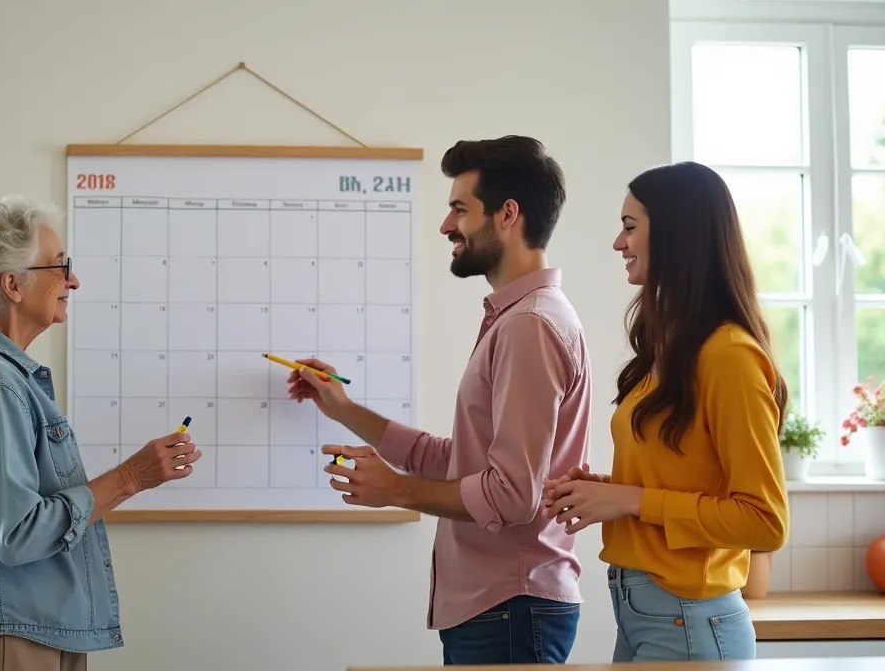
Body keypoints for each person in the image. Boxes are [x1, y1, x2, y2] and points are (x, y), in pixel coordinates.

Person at [289, 136, 591, 665]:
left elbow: (513, 494)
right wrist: (343, 407)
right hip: (500, 609)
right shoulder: (516, 318)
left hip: (511, 609)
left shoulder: (528, 326)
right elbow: (465, 462)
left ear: (507, 215)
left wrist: (397, 490)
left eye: (459, 209)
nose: (445, 227)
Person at [0, 195, 202, 671]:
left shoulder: (0, 375)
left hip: (27, 631)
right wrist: (132, 477)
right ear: (13, 284)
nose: (74, 280)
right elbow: (17, 533)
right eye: (61, 265)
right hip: (10, 639)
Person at [540, 161, 790, 662]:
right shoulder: (674, 350)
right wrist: (608, 492)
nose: (618, 243)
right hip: (646, 611)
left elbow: (765, 521)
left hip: (688, 619)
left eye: (630, 227)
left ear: (677, 235)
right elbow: (683, 478)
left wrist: (632, 500)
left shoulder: (729, 356)